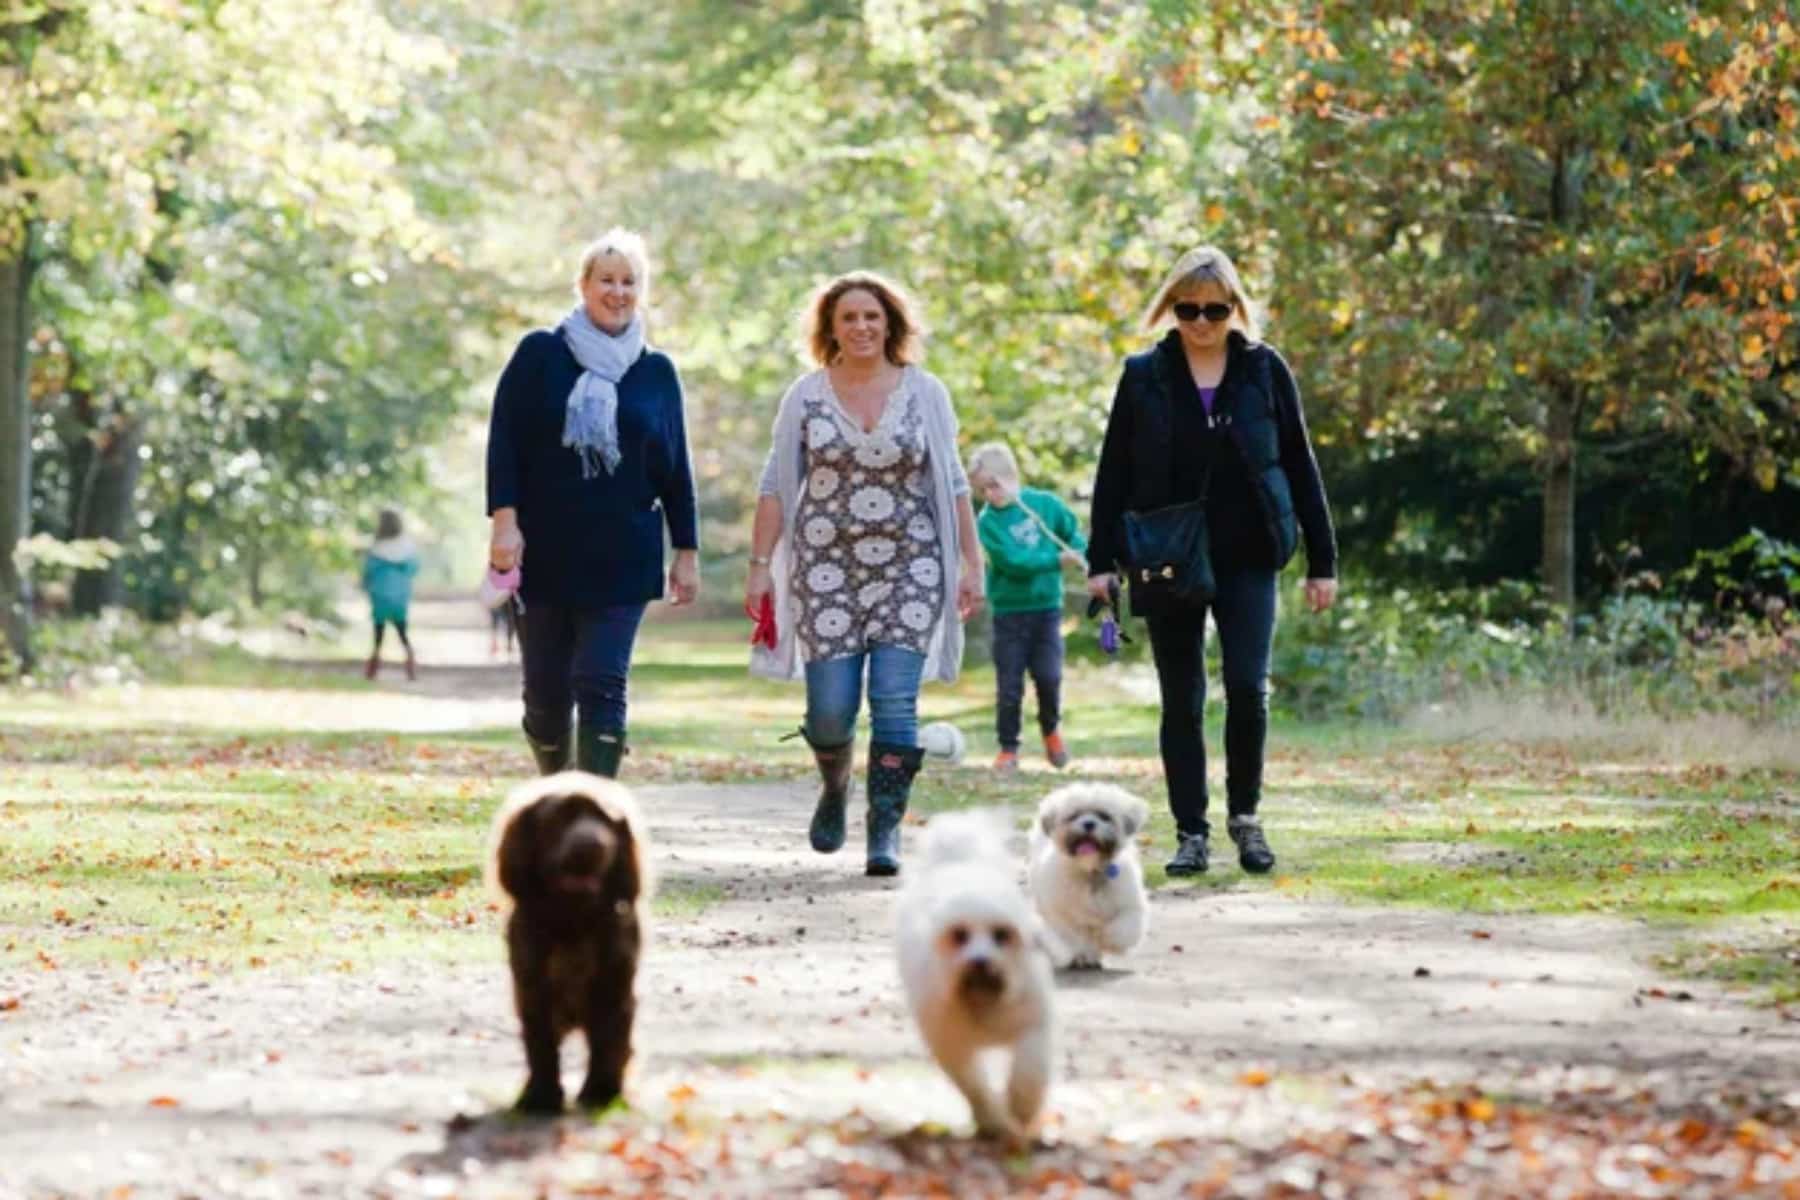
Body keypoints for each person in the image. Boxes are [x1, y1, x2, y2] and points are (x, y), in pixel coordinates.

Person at [1086, 246, 1337, 877]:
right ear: (1170, 308)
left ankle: (1245, 820)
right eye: (1187, 309)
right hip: (1167, 555)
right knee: (1182, 698)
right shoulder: (1143, 375)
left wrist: (1322, 560)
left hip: (1250, 552)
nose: (1200, 322)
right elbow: (1112, 470)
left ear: (1235, 309)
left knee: (1249, 689)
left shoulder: (1264, 370)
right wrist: (1100, 561)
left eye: (1214, 310)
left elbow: (1301, 465)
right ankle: (1190, 830)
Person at [745, 271, 984, 876]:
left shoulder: (926, 392)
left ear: (891, 325)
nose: (861, 327)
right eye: (848, 317)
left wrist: (970, 563)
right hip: (825, 565)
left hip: (913, 561)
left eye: (872, 316)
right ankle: (835, 783)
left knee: (895, 703)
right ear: (830, 327)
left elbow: (953, 481)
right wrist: (758, 568)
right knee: (830, 709)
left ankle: (885, 832)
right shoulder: (806, 396)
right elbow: (776, 484)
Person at [485, 228, 699, 778]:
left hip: (625, 552)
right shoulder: (540, 354)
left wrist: (686, 550)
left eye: (630, 281)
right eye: (606, 279)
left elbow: (676, 467)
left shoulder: (655, 371)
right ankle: (555, 795)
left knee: (603, 681)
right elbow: (504, 440)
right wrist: (504, 523)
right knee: (546, 696)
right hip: (546, 549)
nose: (618, 291)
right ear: (583, 285)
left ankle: (594, 811)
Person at [966, 442, 1086, 773]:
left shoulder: (1043, 505)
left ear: (1011, 475)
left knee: (1048, 677)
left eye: (994, 485)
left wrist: (1079, 553)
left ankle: (1051, 732)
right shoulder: (988, 522)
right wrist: (1056, 560)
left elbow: (1073, 536)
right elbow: (1014, 562)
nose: (989, 494)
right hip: (1009, 614)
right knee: (1009, 684)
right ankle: (1008, 748)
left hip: (1046, 610)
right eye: (982, 490)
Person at [362, 507, 420, 681]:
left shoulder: (376, 546)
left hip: (380, 595)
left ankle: (373, 667)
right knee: (402, 631)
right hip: (400, 595)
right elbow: (414, 569)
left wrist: (366, 585)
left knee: (378, 633)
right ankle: (410, 662)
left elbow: (368, 571)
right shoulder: (407, 546)